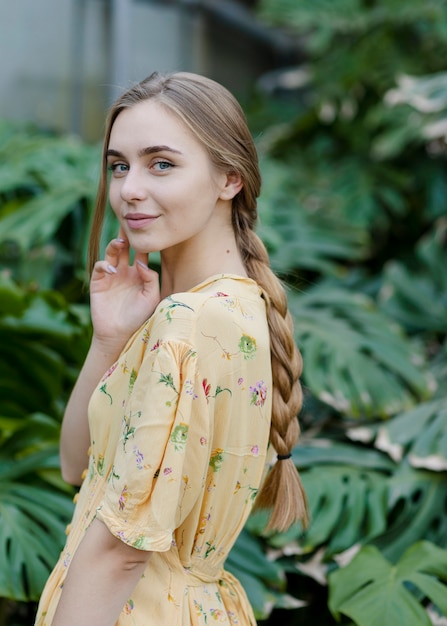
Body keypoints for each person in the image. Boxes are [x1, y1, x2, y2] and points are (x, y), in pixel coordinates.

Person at [35, 71, 308, 626]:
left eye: (161, 164)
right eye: (119, 165)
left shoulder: (191, 322)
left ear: (229, 178)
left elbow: (121, 550)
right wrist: (109, 341)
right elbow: (76, 467)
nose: (130, 188)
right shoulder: (229, 310)